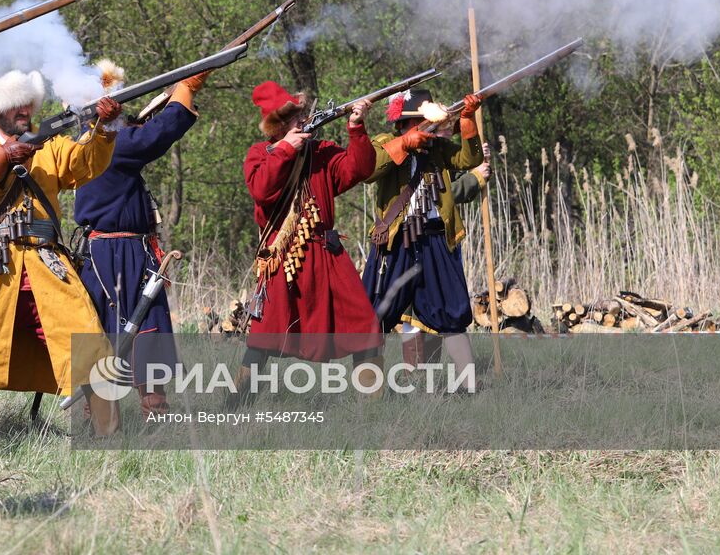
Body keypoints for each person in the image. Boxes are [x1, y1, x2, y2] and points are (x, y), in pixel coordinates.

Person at [0, 70, 122, 436]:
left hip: (46, 261)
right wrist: (1, 156)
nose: (23, 110)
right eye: (14, 105)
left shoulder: (47, 145)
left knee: (90, 345)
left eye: (27, 105)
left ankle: (109, 443)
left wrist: (105, 128)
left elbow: (86, 163)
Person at [72, 64, 205, 417]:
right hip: (118, 253)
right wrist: (186, 90)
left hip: (113, 251)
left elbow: (142, 134)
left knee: (140, 328)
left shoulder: (91, 143)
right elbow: (154, 136)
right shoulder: (103, 145)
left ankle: (141, 410)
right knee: (128, 329)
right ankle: (106, 415)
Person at [238, 82, 382, 392]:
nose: (304, 121)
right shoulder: (260, 154)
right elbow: (262, 190)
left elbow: (359, 169)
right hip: (283, 256)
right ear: (279, 125)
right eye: (296, 118)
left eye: (303, 116)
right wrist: (287, 149)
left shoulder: (323, 151)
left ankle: (374, 407)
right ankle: (237, 404)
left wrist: (356, 128)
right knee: (265, 337)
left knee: (365, 325)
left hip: (327, 252)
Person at [362, 87, 483, 369]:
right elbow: (369, 170)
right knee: (374, 316)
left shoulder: (437, 148)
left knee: (453, 315)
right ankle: (371, 391)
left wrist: (467, 119)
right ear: (403, 124)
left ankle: (471, 385)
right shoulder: (385, 143)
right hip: (395, 242)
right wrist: (404, 144)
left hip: (436, 239)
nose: (428, 128)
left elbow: (470, 160)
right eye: (419, 123)